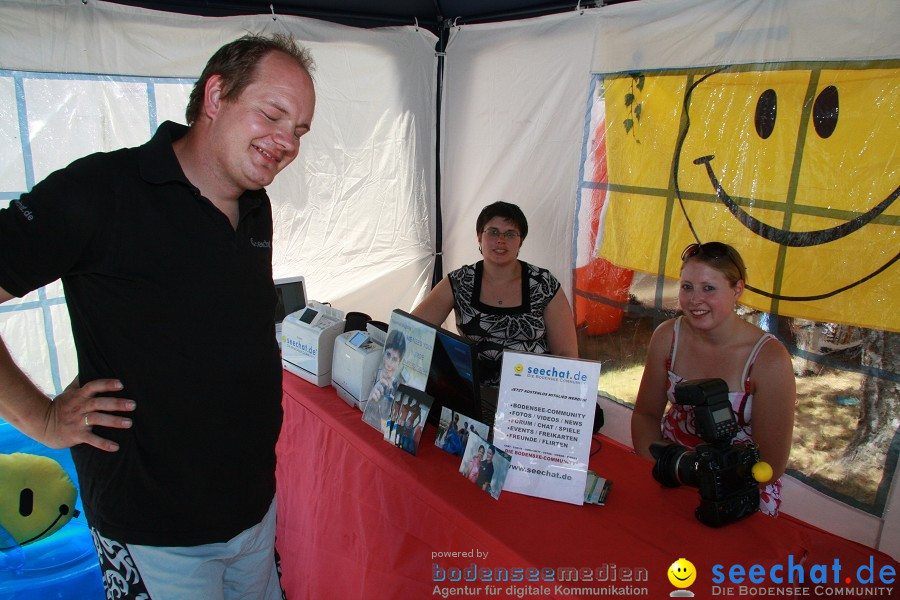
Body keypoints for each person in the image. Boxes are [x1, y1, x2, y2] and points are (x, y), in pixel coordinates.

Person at [0, 33, 316, 598]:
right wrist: (41, 420)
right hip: (154, 533)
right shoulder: (101, 191)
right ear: (216, 96)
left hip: (252, 512)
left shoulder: (254, 204)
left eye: (300, 131)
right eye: (273, 115)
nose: (287, 142)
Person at [631, 242, 795, 516]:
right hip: (671, 470)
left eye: (709, 288)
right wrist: (658, 468)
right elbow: (645, 415)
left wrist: (713, 485)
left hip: (737, 488)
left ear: (737, 290)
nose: (695, 300)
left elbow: (771, 462)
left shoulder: (769, 359)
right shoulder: (667, 336)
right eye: (687, 287)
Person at [412, 201, 578, 387]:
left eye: (510, 234)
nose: (501, 240)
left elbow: (566, 354)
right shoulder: (460, 281)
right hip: (474, 394)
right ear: (479, 237)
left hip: (533, 395)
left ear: (520, 240)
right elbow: (411, 329)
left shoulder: (544, 284)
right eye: (492, 232)